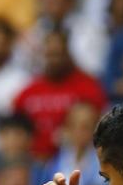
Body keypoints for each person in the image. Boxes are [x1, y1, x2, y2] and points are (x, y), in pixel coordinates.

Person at [13, 29, 107, 160]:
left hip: (79, 160)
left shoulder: (88, 86)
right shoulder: (29, 91)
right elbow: (15, 126)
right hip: (35, 162)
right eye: (49, 55)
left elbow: (102, 127)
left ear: (67, 54)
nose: (54, 60)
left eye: (58, 54)